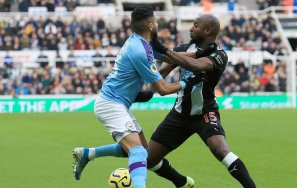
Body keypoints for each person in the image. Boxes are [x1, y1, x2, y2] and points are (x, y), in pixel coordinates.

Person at [71, 6, 205, 188]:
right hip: (111, 104)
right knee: (138, 153)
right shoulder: (140, 50)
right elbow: (163, 89)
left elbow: (172, 58)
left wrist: (200, 54)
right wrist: (188, 83)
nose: (157, 24)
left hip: (115, 102)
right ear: (150, 25)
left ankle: (88, 154)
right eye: (156, 21)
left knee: (141, 151)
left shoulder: (140, 43)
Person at [147, 14, 256, 188]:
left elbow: (196, 65)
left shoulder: (219, 55)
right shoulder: (183, 47)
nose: (191, 28)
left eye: (195, 25)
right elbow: (163, 70)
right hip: (179, 114)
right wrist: (149, 91)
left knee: (221, 150)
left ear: (207, 30)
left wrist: (166, 51)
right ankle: (181, 182)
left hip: (205, 112)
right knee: (148, 160)